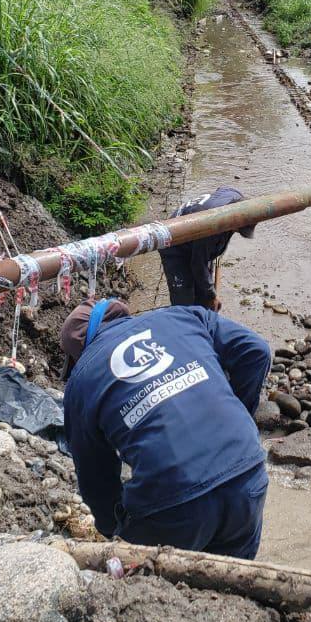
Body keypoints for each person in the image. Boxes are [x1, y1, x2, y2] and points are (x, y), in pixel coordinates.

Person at [61, 297, 272, 559]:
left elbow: (95, 476)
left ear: (78, 350)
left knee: (146, 585)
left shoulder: (81, 379)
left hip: (172, 506)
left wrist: (114, 529)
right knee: (236, 587)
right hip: (247, 473)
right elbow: (257, 351)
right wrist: (241, 416)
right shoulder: (184, 315)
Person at [159, 187, 255, 310]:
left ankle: (203, 319)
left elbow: (222, 189)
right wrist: (212, 295)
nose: (237, 231)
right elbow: (198, 264)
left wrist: (209, 294)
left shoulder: (234, 195)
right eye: (238, 229)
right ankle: (185, 323)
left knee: (203, 293)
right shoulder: (210, 228)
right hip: (174, 243)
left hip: (197, 238)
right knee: (184, 299)